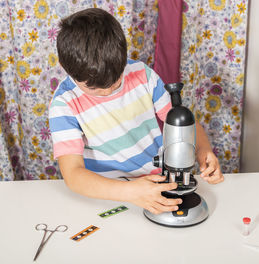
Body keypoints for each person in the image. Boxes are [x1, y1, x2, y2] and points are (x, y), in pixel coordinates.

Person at [49, 8, 224, 215]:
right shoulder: (64, 104)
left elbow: (183, 124)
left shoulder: (142, 74)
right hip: (109, 194)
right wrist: (130, 191)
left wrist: (203, 150)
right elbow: (73, 175)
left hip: (155, 183)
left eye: (116, 81)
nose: (107, 91)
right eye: (94, 88)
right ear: (66, 68)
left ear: (122, 57)